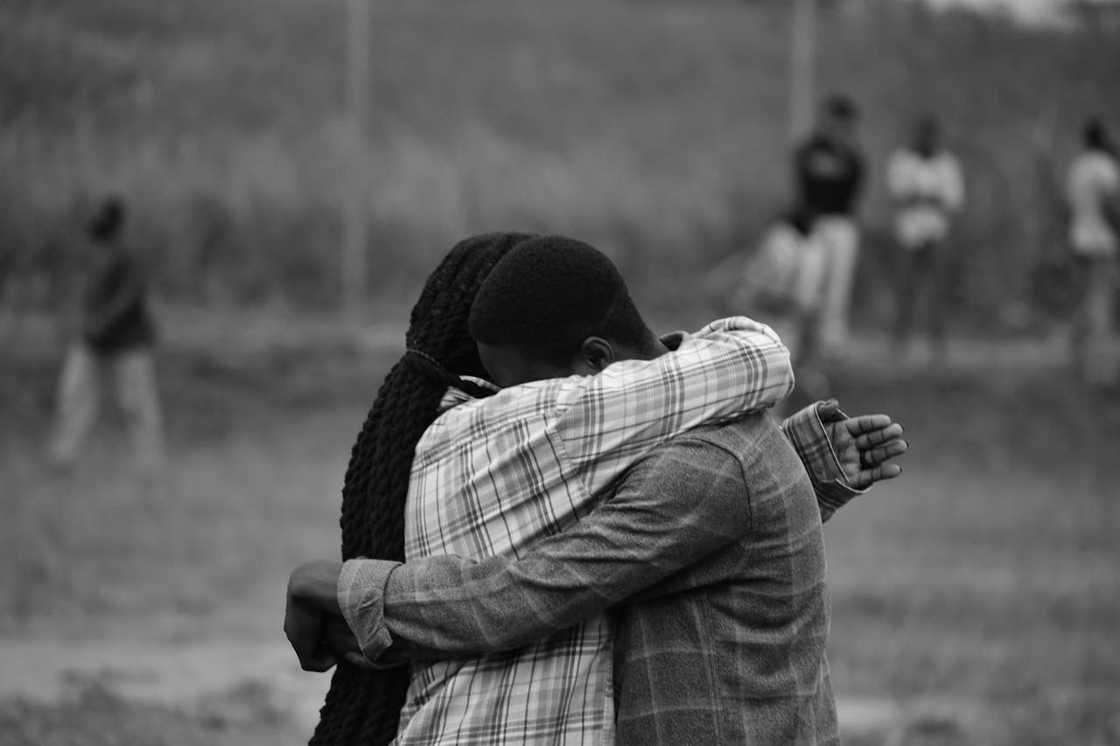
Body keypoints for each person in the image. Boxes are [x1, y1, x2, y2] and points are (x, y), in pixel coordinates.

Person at [290, 234, 906, 745]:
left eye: (530, 398)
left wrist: (353, 587)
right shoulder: (695, 440)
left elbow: (522, 594)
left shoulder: (704, 463)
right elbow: (697, 538)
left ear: (593, 363)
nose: (522, 416)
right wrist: (802, 469)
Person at [47, 196, 164, 479]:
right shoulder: (89, 254)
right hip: (90, 340)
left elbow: (131, 294)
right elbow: (75, 295)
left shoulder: (127, 254)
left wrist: (103, 320)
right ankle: (63, 457)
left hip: (128, 342)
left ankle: (150, 466)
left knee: (136, 403)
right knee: (73, 398)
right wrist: (72, 323)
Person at [886, 114, 965, 363]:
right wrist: (928, 197)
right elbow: (898, 194)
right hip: (908, 233)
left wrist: (923, 197)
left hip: (937, 232)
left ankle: (938, 345)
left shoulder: (947, 164)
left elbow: (953, 200)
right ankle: (899, 344)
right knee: (905, 289)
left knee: (937, 291)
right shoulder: (902, 160)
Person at [794, 94, 866, 358]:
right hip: (817, 223)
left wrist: (840, 153)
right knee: (809, 284)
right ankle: (804, 340)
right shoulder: (812, 149)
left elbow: (853, 184)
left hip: (842, 224)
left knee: (838, 286)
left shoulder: (851, 153)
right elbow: (805, 178)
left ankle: (831, 343)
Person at [1067, 118, 1120, 384]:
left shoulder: (1077, 168)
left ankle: (1077, 358)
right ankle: (1098, 371)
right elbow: (1110, 207)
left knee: (1083, 301)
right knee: (1099, 301)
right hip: (1101, 243)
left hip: (1078, 241)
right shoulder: (1105, 168)